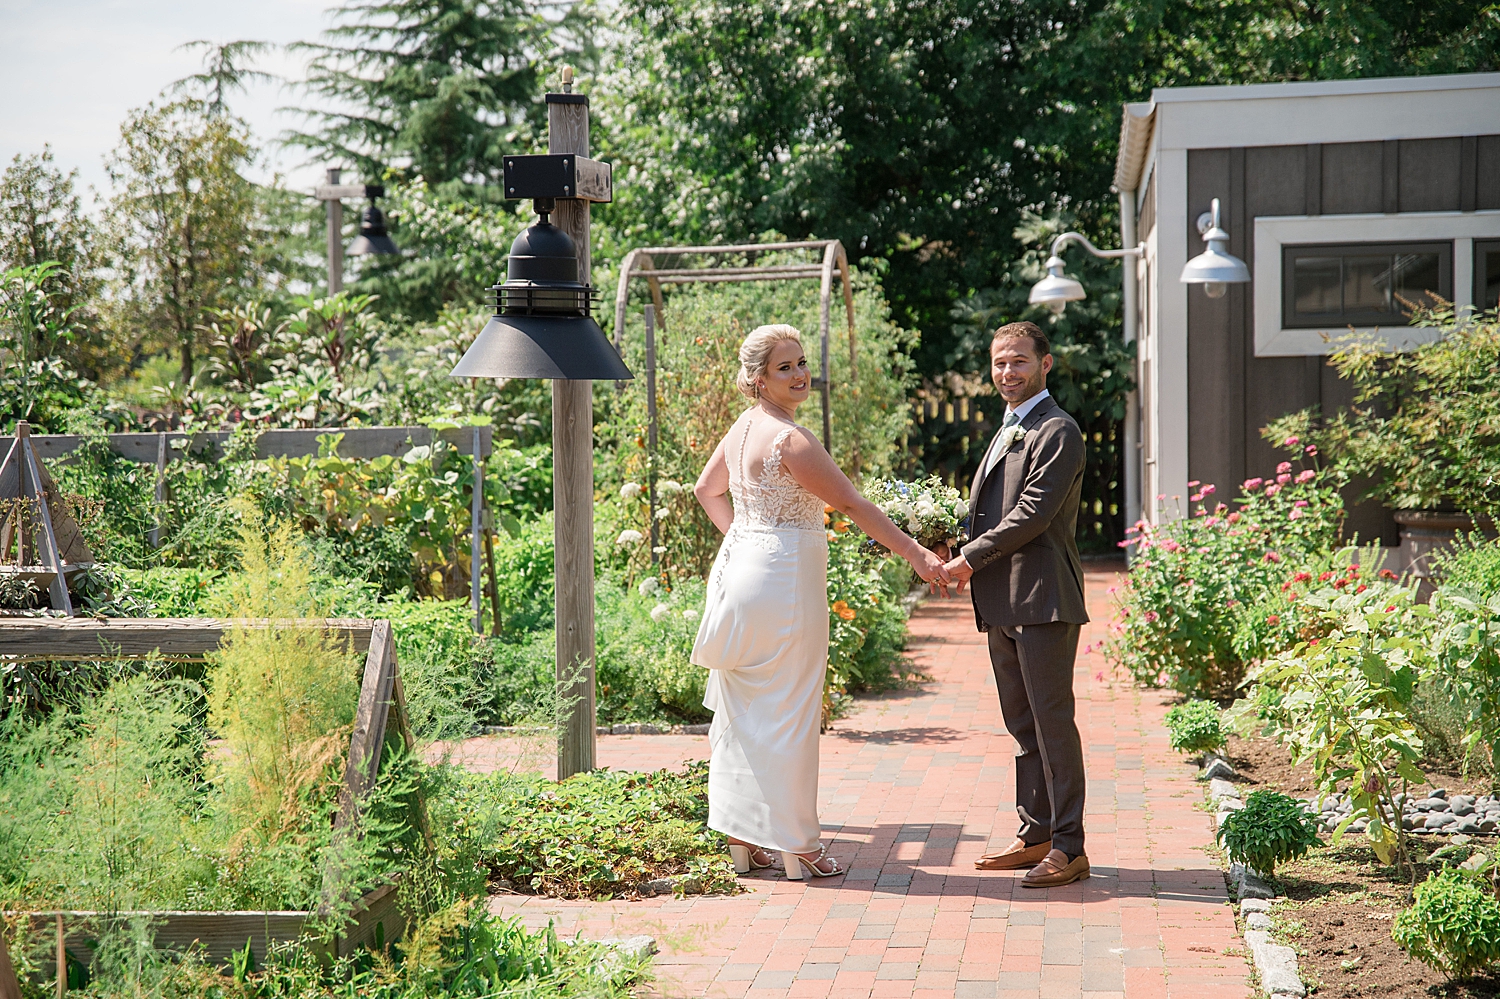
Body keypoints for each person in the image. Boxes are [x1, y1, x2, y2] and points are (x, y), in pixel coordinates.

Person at [692, 323, 951, 880]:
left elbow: (706, 491)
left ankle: (743, 838)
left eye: (802, 362)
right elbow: (854, 505)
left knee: (747, 709)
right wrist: (918, 555)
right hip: (783, 581)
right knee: (790, 712)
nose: (800, 374)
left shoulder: (742, 429)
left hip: (741, 574)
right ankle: (799, 846)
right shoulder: (793, 440)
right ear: (758, 379)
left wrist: (743, 537)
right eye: (785, 367)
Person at [941, 321, 1091, 888]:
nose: (1008, 373)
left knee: (1052, 724)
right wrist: (947, 541)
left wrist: (967, 559)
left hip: (1043, 597)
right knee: (1022, 724)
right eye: (1000, 363)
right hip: (1003, 600)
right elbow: (991, 510)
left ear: (1045, 364)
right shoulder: (1009, 426)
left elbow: (1032, 513)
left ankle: (1071, 847)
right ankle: (1037, 835)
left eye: (1020, 362)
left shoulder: (1058, 430)